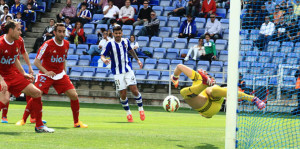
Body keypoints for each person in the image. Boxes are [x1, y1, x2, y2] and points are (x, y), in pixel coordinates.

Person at [16, 23, 88, 128]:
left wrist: (64, 73)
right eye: (59, 31)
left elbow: (63, 59)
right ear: (54, 32)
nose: (62, 34)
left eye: (63, 31)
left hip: (60, 75)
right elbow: (36, 62)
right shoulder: (47, 44)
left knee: (74, 95)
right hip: (45, 75)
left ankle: (76, 122)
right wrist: (46, 72)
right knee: (36, 94)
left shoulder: (67, 44)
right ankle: (23, 119)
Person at [0, 20, 54, 132]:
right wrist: (1, 80)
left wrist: (23, 73)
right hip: (1, 76)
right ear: (10, 30)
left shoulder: (18, 41)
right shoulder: (0, 43)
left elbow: (15, 59)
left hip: (12, 75)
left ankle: (39, 126)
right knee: (4, 100)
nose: (21, 32)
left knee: (36, 93)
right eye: (18, 29)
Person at [170, 64, 266, 118]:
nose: (208, 75)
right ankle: (254, 99)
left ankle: (254, 99)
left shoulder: (200, 79)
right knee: (210, 89)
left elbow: (179, 67)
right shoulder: (197, 77)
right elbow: (179, 66)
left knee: (185, 92)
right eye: (208, 76)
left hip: (211, 105)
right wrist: (175, 78)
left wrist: (175, 78)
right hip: (207, 107)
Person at [101, 26, 145, 122]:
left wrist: (138, 60)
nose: (118, 35)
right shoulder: (110, 44)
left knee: (134, 90)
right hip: (117, 72)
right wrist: (104, 59)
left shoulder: (126, 41)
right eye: (116, 33)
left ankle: (141, 110)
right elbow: (102, 55)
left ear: (122, 33)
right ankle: (128, 113)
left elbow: (131, 50)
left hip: (128, 70)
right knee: (123, 94)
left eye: (119, 33)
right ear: (113, 34)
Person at [1, 31, 33, 124]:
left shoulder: (20, 40)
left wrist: (29, 67)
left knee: (31, 90)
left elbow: (24, 53)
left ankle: (33, 117)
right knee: (7, 93)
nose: (20, 31)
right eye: (18, 29)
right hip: (7, 70)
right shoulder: (3, 41)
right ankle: (4, 116)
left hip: (17, 69)